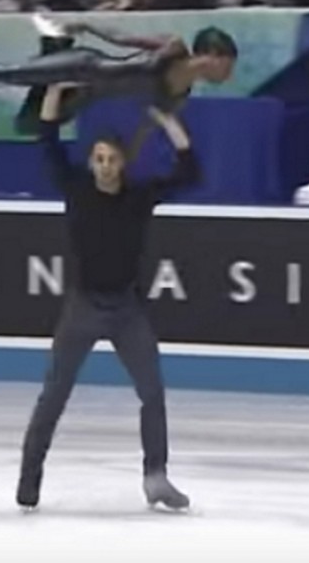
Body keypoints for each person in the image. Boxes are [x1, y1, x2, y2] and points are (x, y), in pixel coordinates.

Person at [16, 82, 198, 511]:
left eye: (111, 159)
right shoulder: (76, 188)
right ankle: (28, 480)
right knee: (53, 396)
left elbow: (189, 173)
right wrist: (53, 97)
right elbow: (46, 143)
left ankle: (156, 477)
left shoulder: (139, 197)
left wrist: (170, 124)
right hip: (83, 307)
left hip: (126, 309)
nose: (104, 166)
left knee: (152, 392)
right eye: (98, 159)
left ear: (122, 162)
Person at [0, 14, 238, 136]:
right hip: (84, 65)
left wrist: (129, 156)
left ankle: (52, 42)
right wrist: (87, 24)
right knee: (7, 73)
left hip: (86, 95)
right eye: (229, 64)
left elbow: (151, 125)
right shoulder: (174, 47)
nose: (230, 73)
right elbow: (124, 39)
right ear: (212, 55)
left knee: (28, 125)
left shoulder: (181, 96)